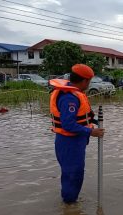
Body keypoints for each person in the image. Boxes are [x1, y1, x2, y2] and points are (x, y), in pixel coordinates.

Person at [49, 64, 104, 203]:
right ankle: (69, 208)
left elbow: (81, 117)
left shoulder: (74, 93)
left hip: (74, 142)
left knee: (73, 174)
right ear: (85, 81)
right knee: (73, 175)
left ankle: (70, 204)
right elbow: (68, 125)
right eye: (89, 81)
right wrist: (90, 131)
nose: (89, 84)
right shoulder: (69, 98)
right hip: (69, 143)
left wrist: (94, 121)